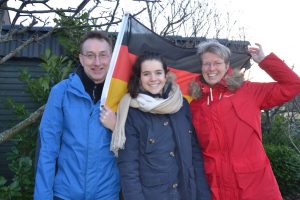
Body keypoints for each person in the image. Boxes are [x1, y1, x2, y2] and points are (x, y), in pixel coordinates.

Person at [189, 40, 300, 200]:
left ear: (227, 65)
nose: (211, 69)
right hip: (215, 187)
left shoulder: (249, 92)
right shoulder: (195, 105)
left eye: (217, 63)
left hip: (254, 185)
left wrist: (264, 60)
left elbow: (293, 85)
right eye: (207, 64)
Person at [108, 53, 211, 200]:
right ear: (139, 77)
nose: (153, 79)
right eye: (146, 74)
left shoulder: (181, 106)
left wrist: (203, 195)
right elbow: (128, 166)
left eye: (158, 73)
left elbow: (195, 155)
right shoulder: (131, 112)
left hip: (186, 192)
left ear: (165, 75)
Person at [34, 31, 120, 200]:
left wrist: (117, 127)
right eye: (90, 55)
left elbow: (136, 146)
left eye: (103, 55)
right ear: (81, 59)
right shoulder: (61, 92)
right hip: (65, 194)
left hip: (107, 194)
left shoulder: (121, 96)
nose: (97, 62)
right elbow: (47, 150)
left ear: (111, 58)